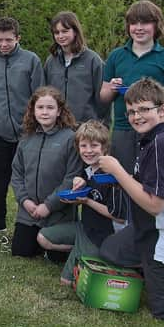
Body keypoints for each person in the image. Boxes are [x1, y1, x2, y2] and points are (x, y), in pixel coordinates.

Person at [98, 77, 164, 320]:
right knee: (111, 249)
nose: (136, 116)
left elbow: (155, 205)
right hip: (146, 228)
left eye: (144, 109)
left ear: (163, 110)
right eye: (131, 112)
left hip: (159, 234)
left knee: (161, 312)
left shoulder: (159, 142)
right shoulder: (150, 137)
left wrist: (118, 171)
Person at [0, 17, 45, 234]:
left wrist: (35, 126)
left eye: (8, 40)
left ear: (18, 38)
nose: (3, 44)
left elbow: (39, 96)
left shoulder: (31, 61)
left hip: (28, 133)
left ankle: (31, 223)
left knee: (30, 180)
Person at [47, 120, 126, 286]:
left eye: (94, 146)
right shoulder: (88, 171)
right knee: (43, 237)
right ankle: (80, 249)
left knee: (66, 282)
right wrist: (78, 186)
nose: (88, 151)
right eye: (83, 146)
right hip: (85, 227)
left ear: (104, 148)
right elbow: (83, 186)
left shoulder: (111, 176)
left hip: (104, 234)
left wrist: (87, 201)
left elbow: (119, 218)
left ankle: (94, 255)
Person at [10, 86, 82, 257]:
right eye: (40, 107)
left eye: (50, 108)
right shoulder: (26, 138)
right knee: (21, 252)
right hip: (29, 212)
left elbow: (71, 177)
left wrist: (49, 205)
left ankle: (77, 242)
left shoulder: (70, 138)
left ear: (59, 111)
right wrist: (24, 201)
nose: (45, 112)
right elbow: (17, 173)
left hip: (58, 213)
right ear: (33, 110)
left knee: (57, 257)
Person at [99, 0, 164, 173]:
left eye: (145, 22)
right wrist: (112, 88)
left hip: (156, 131)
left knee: (153, 178)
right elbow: (103, 96)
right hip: (123, 129)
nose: (139, 28)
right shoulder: (116, 56)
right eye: (134, 23)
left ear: (156, 25)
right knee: (123, 178)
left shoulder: (163, 57)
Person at [44, 11, 107, 124]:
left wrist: (103, 125)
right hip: (57, 126)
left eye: (65, 31)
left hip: (85, 128)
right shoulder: (51, 61)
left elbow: (102, 98)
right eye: (57, 32)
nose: (60, 36)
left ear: (75, 32)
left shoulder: (93, 60)